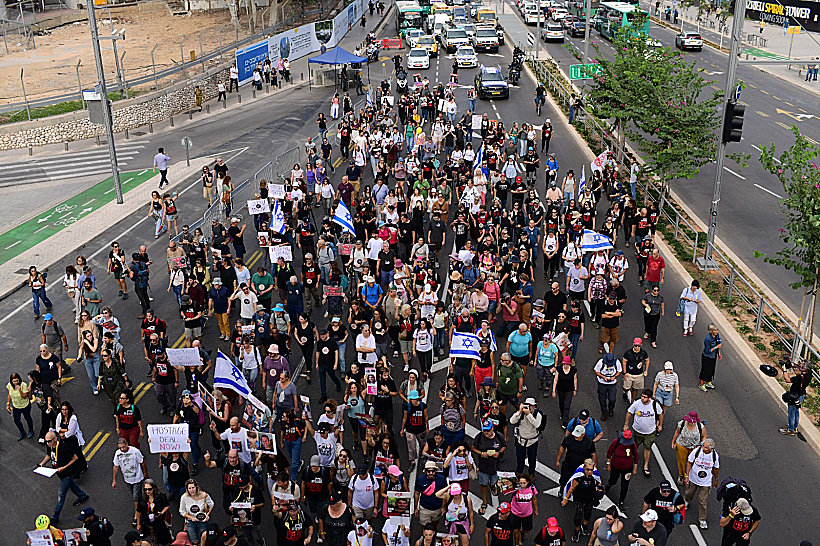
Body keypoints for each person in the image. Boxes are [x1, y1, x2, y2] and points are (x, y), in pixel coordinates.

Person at [38, 430, 89, 524]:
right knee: (72, 485)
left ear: (55, 439)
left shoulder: (64, 447)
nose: (47, 443)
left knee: (60, 497)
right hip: (59, 473)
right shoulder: (50, 446)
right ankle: (82, 495)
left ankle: (55, 517)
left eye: (49, 441)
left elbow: (75, 458)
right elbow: (49, 455)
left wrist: (64, 467)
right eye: (46, 441)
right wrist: (42, 464)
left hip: (66, 474)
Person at [560, 459, 603, 542]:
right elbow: (571, 489)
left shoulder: (595, 477)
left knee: (587, 514)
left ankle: (584, 524)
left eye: (591, 469)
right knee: (577, 516)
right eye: (588, 469)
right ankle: (577, 531)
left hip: (590, 499)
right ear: (584, 468)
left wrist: (600, 491)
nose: (590, 472)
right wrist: (566, 499)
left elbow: (599, 485)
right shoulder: (578, 478)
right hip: (579, 499)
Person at [624, 389, 662, 477]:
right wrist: (626, 424)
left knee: (647, 448)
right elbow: (629, 412)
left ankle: (646, 465)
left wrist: (660, 425)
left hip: (650, 432)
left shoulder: (654, 404)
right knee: (634, 446)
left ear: (649, 398)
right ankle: (630, 460)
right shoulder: (637, 403)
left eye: (644, 397)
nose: (642, 398)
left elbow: (660, 414)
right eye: (642, 396)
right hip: (637, 431)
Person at [472, 420, 506, 515]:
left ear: (492, 428)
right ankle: (484, 502)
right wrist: (482, 453)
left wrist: (498, 453)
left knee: (494, 480)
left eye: (487, 430)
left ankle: (492, 486)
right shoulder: (479, 437)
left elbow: (504, 446)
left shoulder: (499, 436)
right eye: (484, 430)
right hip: (483, 466)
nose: (486, 432)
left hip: (495, 466)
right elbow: (473, 448)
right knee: (483, 484)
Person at [684, 438, 720, 529]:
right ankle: (687, 501)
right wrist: (687, 476)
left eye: (706, 447)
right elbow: (689, 462)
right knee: (689, 493)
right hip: (693, 478)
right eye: (703, 446)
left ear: (711, 449)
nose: (703, 448)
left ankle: (702, 519)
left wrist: (716, 479)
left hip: (706, 482)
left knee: (703, 500)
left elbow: (716, 468)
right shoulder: (697, 451)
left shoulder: (714, 456)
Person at [112, 437, 148, 527]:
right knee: (136, 495)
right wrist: (114, 480)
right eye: (120, 447)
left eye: (123, 447)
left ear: (127, 444)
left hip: (137, 478)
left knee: (135, 497)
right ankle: (143, 504)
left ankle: (137, 515)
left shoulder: (135, 451)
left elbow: (142, 462)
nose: (122, 449)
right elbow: (116, 466)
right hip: (127, 479)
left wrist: (145, 473)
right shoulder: (118, 454)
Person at [557, 424, 597, 495]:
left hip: (581, 467)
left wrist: (594, 467)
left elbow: (593, 455)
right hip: (568, 464)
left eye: (577, 435)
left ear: (583, 434)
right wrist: (558, 460)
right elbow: (562, 448)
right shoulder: (568, 439)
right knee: (564, 479)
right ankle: (562, 489)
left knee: (580, 482)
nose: (575, 437)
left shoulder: (589, 443)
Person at [670, 411, 707, 485]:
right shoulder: (682, 423)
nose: (692, 423)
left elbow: (704, 436)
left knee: (693, 462)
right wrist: (673, 442)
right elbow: (677, 432)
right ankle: (681, 475)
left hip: (694, 447)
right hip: (681, 445)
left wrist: (701, 445)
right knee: (681, 461)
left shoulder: (700, 426)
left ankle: (690, 475)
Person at [604, 430, 637, 510]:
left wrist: (635, 467)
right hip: (615, 466)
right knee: (613, 480)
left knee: (625, 485)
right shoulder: (616, 442)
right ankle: (609, 484)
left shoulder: (633, 444)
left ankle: (621, 501)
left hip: (627, 468)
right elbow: (609, 453)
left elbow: (635, 455)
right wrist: (608, 464)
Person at [510, 398, 543, 476]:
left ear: (534, 406)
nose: (529, 407)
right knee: (520, 458)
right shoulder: (521, 413)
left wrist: (528, 415)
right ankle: (519, 472)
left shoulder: (537, 415)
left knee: (532, 459)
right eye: (527, 405)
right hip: (521, 440)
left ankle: (531, 474)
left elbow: (537, 425)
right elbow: (512, 421)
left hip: (532, 441)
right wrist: (519, 412)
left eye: (531, 406)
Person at [781, 360, 813, 435]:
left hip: (794, 395)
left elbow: (787, 380)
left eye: (801, 366)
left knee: (791, 411)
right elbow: (799, 372)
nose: (800, 366)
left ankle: (790, 429)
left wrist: (784, 371)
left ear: (804, 368)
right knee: (796, 410)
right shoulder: (809, 374)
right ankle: (795, 427)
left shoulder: (799, 378)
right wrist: (793, 366)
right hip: (801, 395)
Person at [179, 479, 214, 544]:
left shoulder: (204, 495)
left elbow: (211, 505)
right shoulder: (184, 497)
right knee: (194, 541)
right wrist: (191, 518)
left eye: (193, 487)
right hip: (190, 522)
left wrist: (207, 515)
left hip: (202, 521)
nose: (191, 490)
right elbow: (182, 511)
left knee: (205, 539)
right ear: (187, 489)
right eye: (189, 488)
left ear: (196, 487)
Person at [414, 461, 447, 528]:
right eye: (429, 471)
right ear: (425, 471)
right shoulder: (420, 480)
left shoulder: (442, 479)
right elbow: (417, 493)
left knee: (435, 523)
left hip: (437, 507)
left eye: (433, 471)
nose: (431, 473)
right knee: (425, 526)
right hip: (424, 508)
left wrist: (443, 507)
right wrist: (415, 508)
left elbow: (445, 494)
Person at [6, 372, 34, 440]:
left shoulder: (23, 385)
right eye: (14, 381)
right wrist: (8, 404)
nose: (15, 382)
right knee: (16, 420)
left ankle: (31, 430)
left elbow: (24, 396)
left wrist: (20, 390)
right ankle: (22, 432)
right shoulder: (10, 385)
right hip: (16, 406)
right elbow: (9, 394)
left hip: (25, 405)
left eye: (17, 380)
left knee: (27, 418)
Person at [652, 362, 679, 431]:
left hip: (668, 394)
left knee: (663, 408)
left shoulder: (674, 375)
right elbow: (655, 384)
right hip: (660, 392)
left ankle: (660, 420)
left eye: (670, 369)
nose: (668, 371)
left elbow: (676, 386)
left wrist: (677, 397)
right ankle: (657, 423)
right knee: (659, 407)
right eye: (667, 369)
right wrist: (654, 394)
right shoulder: (660, 374)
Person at [622, 338, 650, 404]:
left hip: (639, 374)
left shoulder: (643, 353)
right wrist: (625, 373)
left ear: (641, 345)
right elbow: (624, 362)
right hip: (629, 374)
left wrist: (646, 370)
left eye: (638, 346)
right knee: (626, 388)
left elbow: (647, 360)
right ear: (633, 345)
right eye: (635, 346)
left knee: (635, 388)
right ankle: (625, 392)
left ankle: (632, 401)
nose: (637, 347)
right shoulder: (628, 353)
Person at [700, 323, 721, 391]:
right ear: (711, 331)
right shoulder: (707, 339)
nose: (717, 331)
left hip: (713, 356)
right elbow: (707, 350)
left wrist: (719, 353)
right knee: (705, 370)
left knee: (711, 370)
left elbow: (718, 344)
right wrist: (716, 347)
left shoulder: (717, 336)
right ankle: (701, 384)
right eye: (715, 330)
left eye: (717, 330)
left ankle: (708, 382)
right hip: (707, 356)